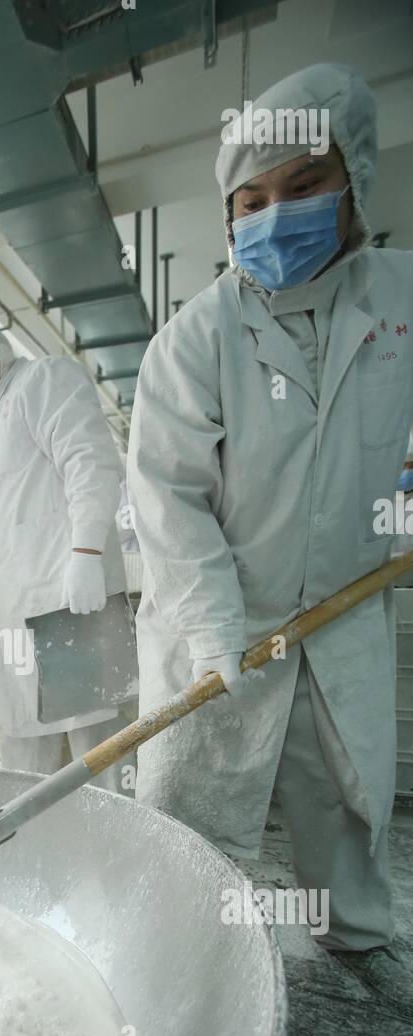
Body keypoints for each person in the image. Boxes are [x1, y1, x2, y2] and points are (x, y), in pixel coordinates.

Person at [127, 64, 413, 952]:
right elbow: (167, 500)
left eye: (302, 186)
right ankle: (181, 963)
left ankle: (360, 956)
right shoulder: (195, 339)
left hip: (341, 617)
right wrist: (216, 634)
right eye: (250, 200)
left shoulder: (401, 301)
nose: (272, 214)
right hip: (215, 629)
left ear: (354, 179)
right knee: (186, 823)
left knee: (347, 808)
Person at [0, 307, 138, 793]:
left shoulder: (43, 380)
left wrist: (86, 554)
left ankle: (120, 854)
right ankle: (39, 851)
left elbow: (91, 462)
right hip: (20, 616)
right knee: (26, 755)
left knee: (102, 749)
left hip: (70, 603)